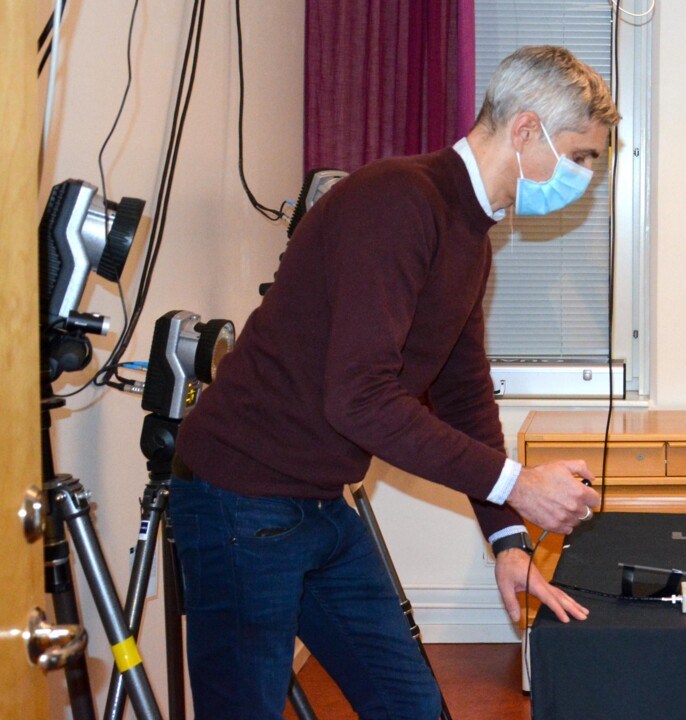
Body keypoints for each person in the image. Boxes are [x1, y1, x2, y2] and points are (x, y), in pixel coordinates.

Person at [171, 46, 619, 719]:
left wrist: (506, 539)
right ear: (526, 130)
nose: (586, 176)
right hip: (239, 497)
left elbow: (464, 398)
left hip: (318, 501)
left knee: (411, 706)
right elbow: (358, 398)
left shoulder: (471, 236)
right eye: (581, 156)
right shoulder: (397, 200)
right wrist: (519, 484)